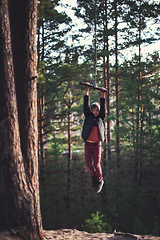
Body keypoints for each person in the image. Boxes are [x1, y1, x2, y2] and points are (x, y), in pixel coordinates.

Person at [82, 83, 106, 193]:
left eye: (97, 110)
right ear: (91, 111)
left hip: (96, 145)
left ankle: (100, 180)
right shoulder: (88, 116)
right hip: (88, 144)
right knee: (88, 164)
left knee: (96, 164)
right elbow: (85, 105)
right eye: (94, 110)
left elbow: (103, 106)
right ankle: (94, 178)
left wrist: (102, 94)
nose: (95, 112)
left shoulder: (101, 118)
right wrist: (87, 90)